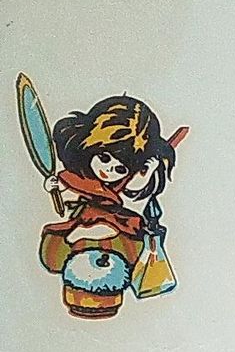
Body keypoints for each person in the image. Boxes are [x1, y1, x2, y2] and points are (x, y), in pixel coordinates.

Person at [40, 95, 178, 275]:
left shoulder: (127, 181)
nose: (108, 170)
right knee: (55, 251)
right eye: (104, 158)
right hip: (86, 217)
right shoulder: (81, 178)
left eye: (120, 169)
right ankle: (81, 238)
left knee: (127, 240)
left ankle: (87, 239)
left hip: (115, 218)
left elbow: (135, 187)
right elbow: (64, 182)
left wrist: (149, 170)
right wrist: (52, 185)